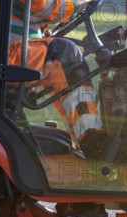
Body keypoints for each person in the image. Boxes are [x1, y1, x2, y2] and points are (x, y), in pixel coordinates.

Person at [7, 0, 103, 142]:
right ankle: (93, 140)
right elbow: (40, 6)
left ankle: (82, 138)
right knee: (65, 54)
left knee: (56, 48)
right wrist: (77, 4)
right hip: (3, 55)